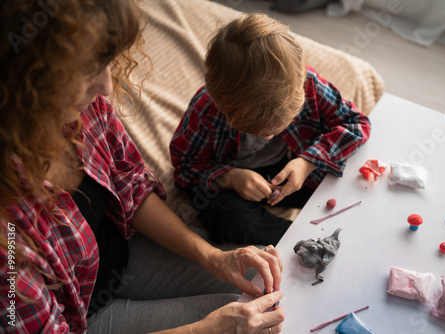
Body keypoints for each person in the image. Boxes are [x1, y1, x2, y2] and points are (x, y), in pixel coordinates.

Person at [0, 1, 284, 333]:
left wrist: (212, 257)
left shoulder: (84, 110)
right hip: (82, 319)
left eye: (106, 62)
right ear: (24, 82)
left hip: (124, 257)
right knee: (256, 323)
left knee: (267, 284)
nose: (106, 86)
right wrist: (205, 329)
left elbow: (132, 188)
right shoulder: (7, 237)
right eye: (86, 70)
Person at [170, 14, 371, 246]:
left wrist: (308, 162)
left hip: (291, 165)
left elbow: (357, 123)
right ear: (222, 103)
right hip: (230, 175)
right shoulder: (206, 109)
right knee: (229, 220)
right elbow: (184, 167)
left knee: (342, 178)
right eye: (254, 128)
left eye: (279, 125)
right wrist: (229, 178)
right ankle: (302, 239)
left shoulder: (309, 84)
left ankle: (332, 223)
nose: (266, 136)